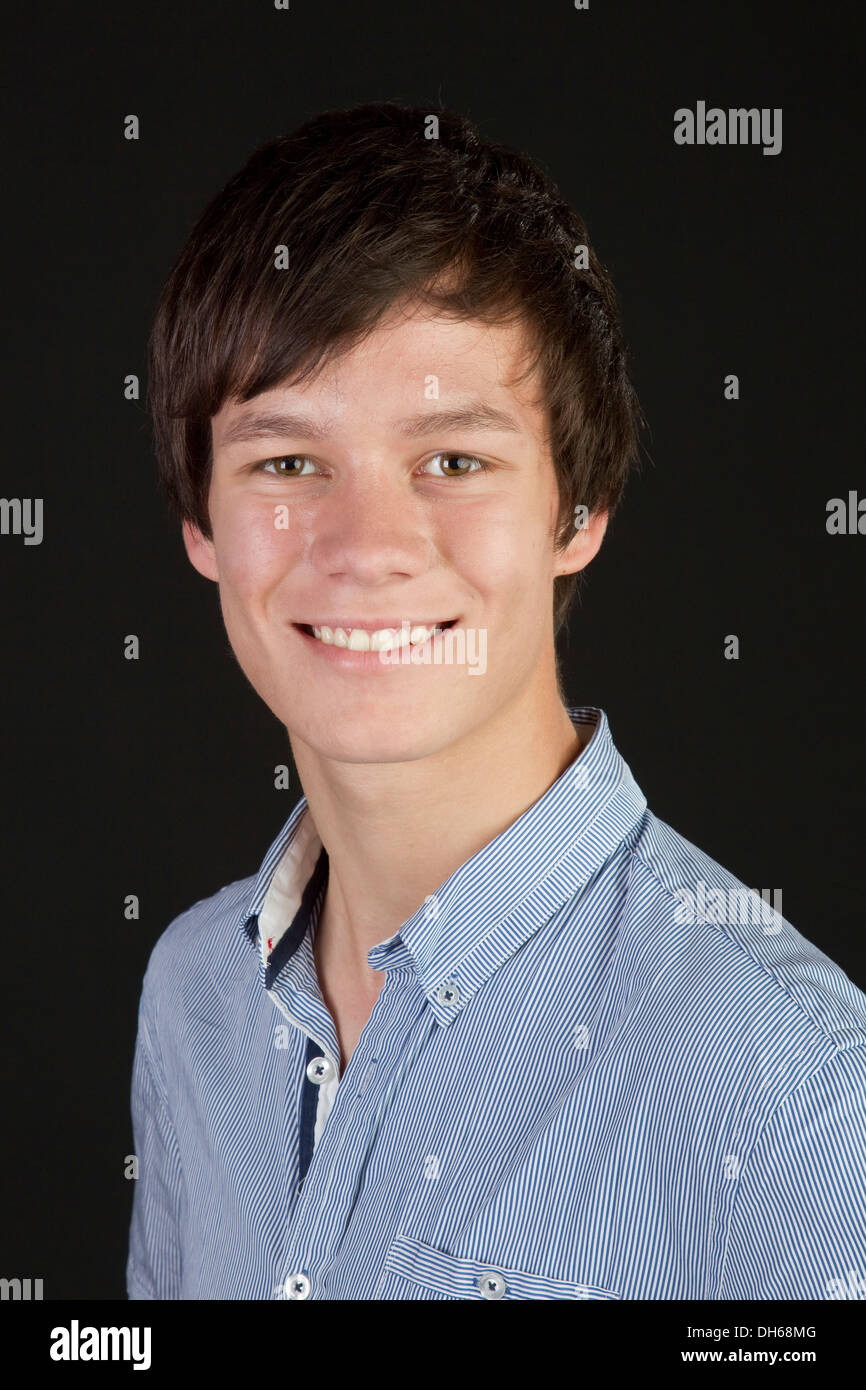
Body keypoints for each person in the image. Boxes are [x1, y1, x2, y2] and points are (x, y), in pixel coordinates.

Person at [127, 100, 866, 1300]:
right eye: (287, 462)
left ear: (578, 511)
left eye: (452, 461)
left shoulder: (804, 1104)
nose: (366, 547)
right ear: (201, 521)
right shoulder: (191, 995)